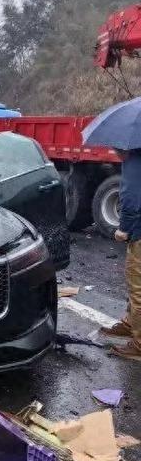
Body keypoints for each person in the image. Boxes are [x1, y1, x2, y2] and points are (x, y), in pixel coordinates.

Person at [100, 149, 141, 361]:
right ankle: (130, 323)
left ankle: (139, 345)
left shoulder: (135, 161)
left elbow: (131, 197)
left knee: (138, 287)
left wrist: (124, 228)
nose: (114, 150)